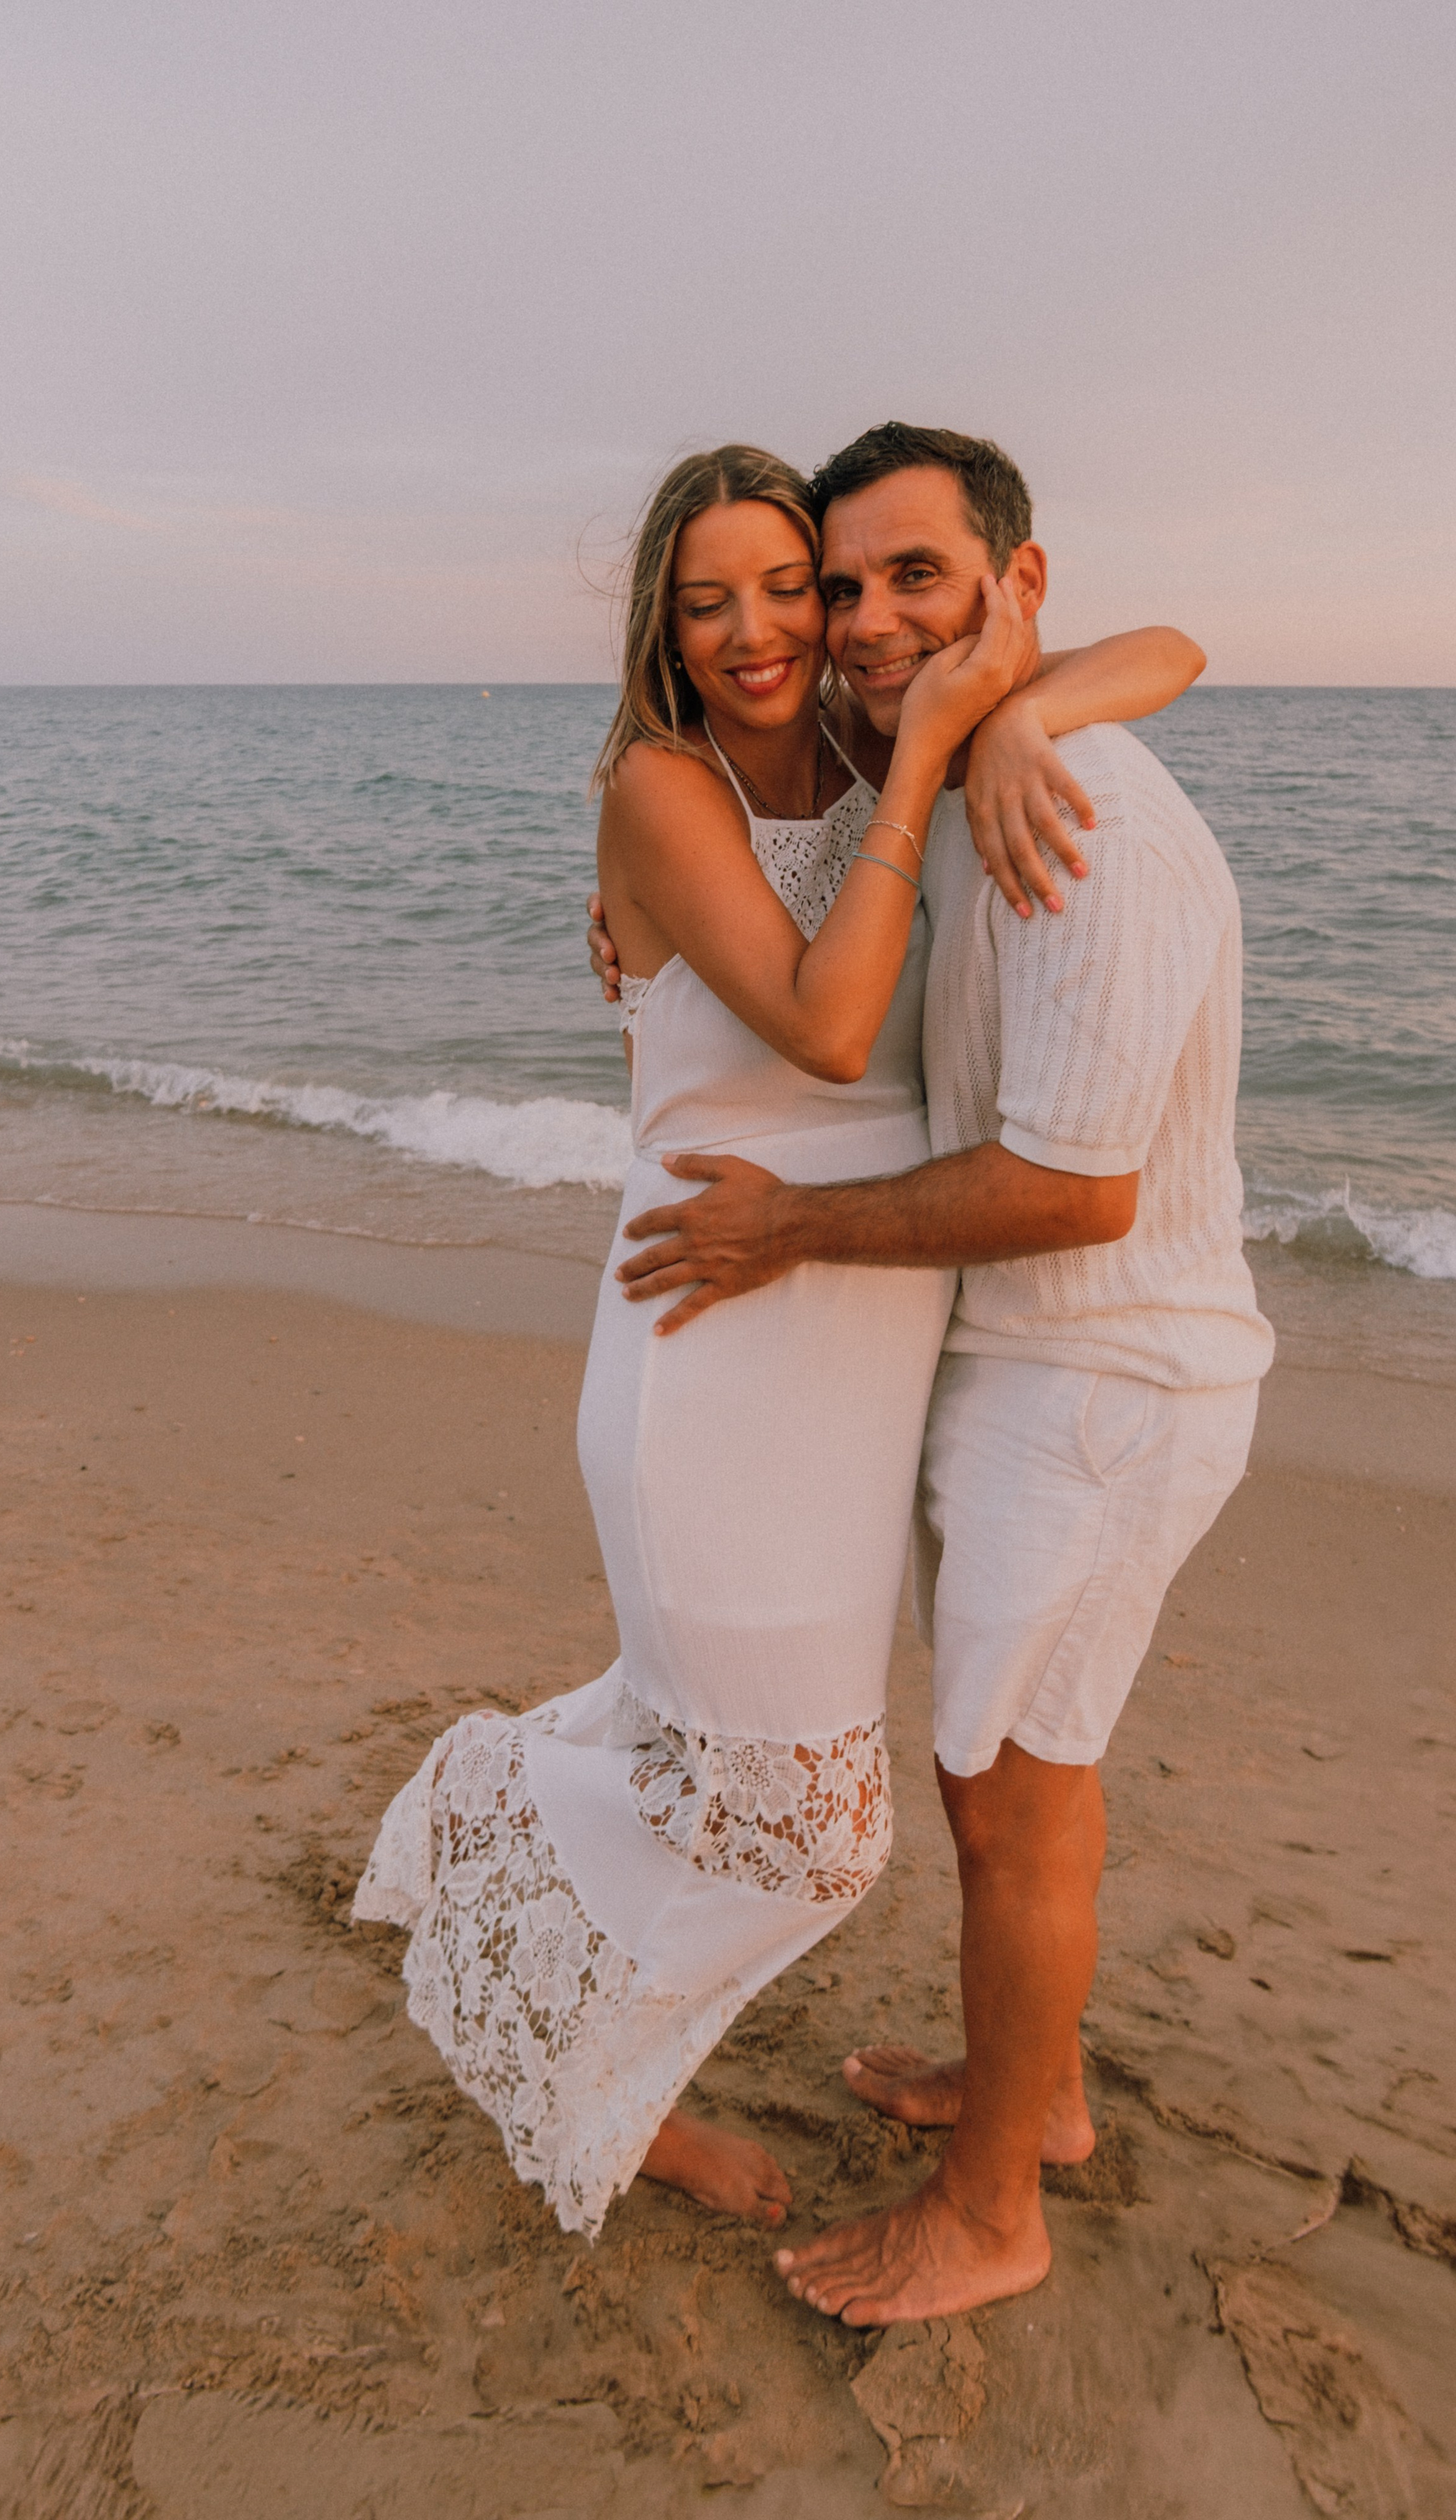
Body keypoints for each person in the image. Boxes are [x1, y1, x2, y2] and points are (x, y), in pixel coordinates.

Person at [356, 443, 1202, 2242]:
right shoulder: (664, 789)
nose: (762, 631)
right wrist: (933, 768)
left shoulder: (866, 737)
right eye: (708, 598)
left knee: (720, 1768)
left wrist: (1023, 727)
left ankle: (550, 1933)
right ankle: (516, 1872)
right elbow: (830, 1029)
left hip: (860, 1348)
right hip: (713, 1327)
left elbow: (1178, 648)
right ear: (661, 622)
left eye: (789, 589)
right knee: (812, 1824)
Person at [605, 423, 1274, 2321]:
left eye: (922, 577)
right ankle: (1029, 2091)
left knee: (1007, 1795)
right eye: (848, 581)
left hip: (1103, 1379)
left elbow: (1073, 1189)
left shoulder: (1086, 812)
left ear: (1016, 586)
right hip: (1029, 1373)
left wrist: (792, 1231)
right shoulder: (974, 749)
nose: (867, 619)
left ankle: (994, 2209)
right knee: (1023, 1780)